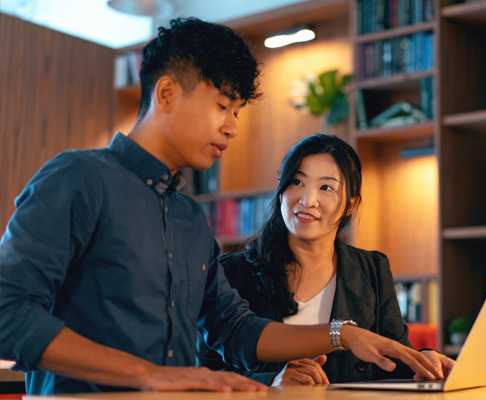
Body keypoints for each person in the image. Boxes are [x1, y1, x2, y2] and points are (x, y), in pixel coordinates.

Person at [0, 18, 447, 396]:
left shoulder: (190, 219)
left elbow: (235, 328)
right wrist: (152, 376)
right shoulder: (77, 178)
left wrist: (341, 333)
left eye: (237, 112)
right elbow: (8, 312)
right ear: (168, 94)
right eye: (222, 106)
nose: (232, 128)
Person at [197, 134, 455, 385]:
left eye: (326, 188)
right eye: (297, 182)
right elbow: (204, 375)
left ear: (350, 205)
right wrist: (271, 381)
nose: (308, 200)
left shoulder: (372, 270)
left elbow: (390, 362)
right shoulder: (233, 271)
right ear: (280, 187)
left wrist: (422, 363)